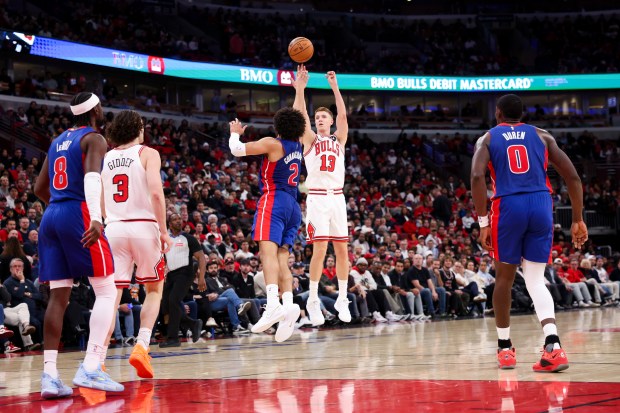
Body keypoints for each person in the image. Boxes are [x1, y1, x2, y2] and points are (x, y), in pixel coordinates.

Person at [470, 93, 587, 372]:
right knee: (536, 279)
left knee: (504, 278)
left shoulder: (487, 138)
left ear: (498, 113)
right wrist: (578, 219)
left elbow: (476, 177)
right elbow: (572, 177)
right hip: (540, 203)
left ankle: (505, 348)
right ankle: (553, 347)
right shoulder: (543, 135)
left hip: (508, 205)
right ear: (521, 115)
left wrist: (483, 221)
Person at [34, 92, 123, 397]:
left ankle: (49, 376)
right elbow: (92, 179)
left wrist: (58, 209)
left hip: (51, 215)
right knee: (107, 289)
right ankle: (91, 367)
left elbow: (38, 188)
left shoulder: (57, 140)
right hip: (78, 212)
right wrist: (95, 218)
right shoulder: (94, 138)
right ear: (96, 109)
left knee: (59, 297)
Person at [100, 110, 175, 376]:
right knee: (154, 289)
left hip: (114, 229)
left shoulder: (106, 157)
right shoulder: (147, 153)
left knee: (111, 295)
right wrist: (164, 231)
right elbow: (156, 192)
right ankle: (142, 345)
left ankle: (97, 356)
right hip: (144, 226)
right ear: (138, 129)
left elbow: (100, 198)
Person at [228, 104, 306, 342]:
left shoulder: (273, 143)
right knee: (282, 257)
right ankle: (289, 303)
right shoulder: (299, 145)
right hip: (294, 206)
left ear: (277, 126)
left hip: (274, 200)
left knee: (267, 253)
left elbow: (236, 150)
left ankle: (272, 304)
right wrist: (300, 89)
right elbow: (298, 115)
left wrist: (234, 132)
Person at [294, 64, 351, 326]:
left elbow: (342, 116)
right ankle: (313, 298)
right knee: (319, 250)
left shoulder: (339, 139)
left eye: (323, 117)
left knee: (342, 250)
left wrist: (335, 88)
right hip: (317, 197)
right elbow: (299, 114)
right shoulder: (310, 140)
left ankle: (342, 298)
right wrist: (301, 88)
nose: (319, 119)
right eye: (317, 117)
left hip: (337, 197)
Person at [160, 213, 206, 347]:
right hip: (171, 275)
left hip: (185, 273)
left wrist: (201, 278)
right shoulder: (165, 239)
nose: (178, 221)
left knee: (174, 300)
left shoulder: (188, 238)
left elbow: (201, 258)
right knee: (166, 305)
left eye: (179, 219)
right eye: (175, 219)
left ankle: (173, 338)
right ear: (169, 224)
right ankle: (192, 323)